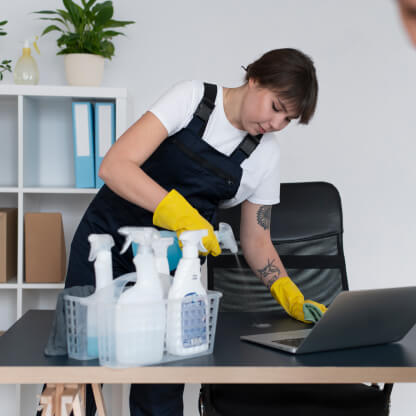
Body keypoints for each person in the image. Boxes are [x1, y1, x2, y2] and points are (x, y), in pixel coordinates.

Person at [63, 48, 325, 415]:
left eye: (288, 119)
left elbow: (256, 240)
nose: (276, 124)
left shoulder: (265, 156)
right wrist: (181, 215)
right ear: (255, 79)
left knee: (160, 390)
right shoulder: (191, 99)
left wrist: (289, 293)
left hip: (172, 274)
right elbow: (115, 166)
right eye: (276, 107)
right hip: (105, 247)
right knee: (77, 376)